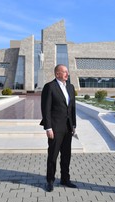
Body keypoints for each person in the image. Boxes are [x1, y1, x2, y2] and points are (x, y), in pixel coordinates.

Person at [40, 64, 77, 192]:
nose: (67, 74)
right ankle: (50, 180)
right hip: (55, 127)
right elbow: (46, 109)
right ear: (57, 74)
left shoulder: (71, 87)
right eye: (64, 72)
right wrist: (48, 127)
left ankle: (65, 179)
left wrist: (74, 125)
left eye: (67, 71)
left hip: (67, 128)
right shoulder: (50, 87)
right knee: (53, 155)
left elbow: (72, 108)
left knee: (66, 155)